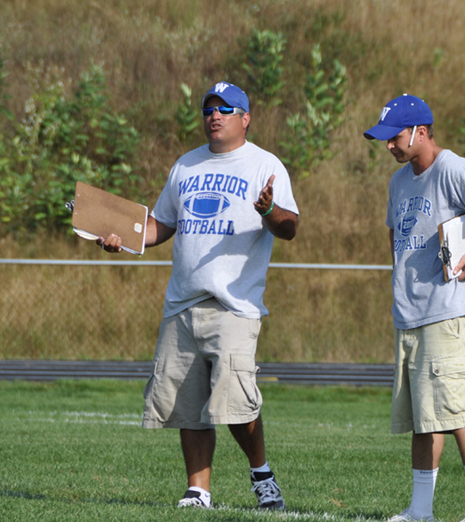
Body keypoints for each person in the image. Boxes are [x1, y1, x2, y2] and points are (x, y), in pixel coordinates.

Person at [98, 81, 299, 510]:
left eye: (226, 109)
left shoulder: (265, 165)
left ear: (245, 118)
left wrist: (268, 210)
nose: (215, 115)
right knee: (186, 403)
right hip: (183, 302)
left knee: (236, 403)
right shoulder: (185, 166)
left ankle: (261, 474)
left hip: (234, 303)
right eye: (210, 109)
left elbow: (289, 227)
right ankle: (198, 489)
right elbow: (161, 225)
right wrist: (123, 238)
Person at [363, 94, 465, 522]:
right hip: (411, 314)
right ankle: (420, 510)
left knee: (457, 410)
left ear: (421, 132)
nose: (389, 147)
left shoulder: (451, 169)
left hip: (446, 311)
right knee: (422, 418)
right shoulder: (399, 181)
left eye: (394, 138)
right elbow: (395, 235)